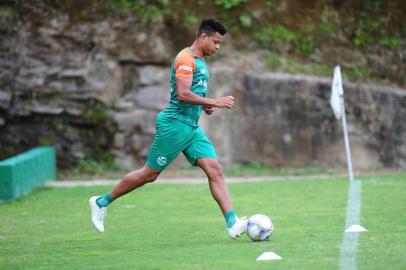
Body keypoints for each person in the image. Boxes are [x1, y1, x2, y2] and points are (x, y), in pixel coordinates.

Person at [89, 18, 247, 239]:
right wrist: (216, 101)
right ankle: (101, 202)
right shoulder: (185, 59)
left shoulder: (201, 62)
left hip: (191, 127)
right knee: (149, 174)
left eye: (220, 43)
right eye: (215, 42)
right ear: (203, 37)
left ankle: (233, 223)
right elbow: (182, 94)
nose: (217, 47)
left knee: (215, 169)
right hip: (174, 125)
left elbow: (192, 95)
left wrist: (206, 106)